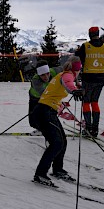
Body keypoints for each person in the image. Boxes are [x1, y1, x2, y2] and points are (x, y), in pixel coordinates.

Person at [31, 56, 84, 185]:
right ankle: (40, 174)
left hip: (46, 111)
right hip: (44, 112)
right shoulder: (68, 74)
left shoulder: (62, 73)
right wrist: (74, 91)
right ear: (77, 69)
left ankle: (57, 169)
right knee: (56, 143)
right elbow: (68, 83)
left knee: (62, 141)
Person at [75, 26, 104, 137]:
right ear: (98, 33)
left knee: (86, 102)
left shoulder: (86, 46)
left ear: (89, 34)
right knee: (95, 102)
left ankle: (88, 128)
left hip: (88, 77)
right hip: (101, 78)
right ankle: (95, 129)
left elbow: (77, 58)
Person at [28, 60, 51, 131]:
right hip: (35, 98)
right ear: (38, 75)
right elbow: (43, 93)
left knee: (47, 115)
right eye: (42, 75)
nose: (46, 77)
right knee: (33, 120)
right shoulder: (36, 80)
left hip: (46, 96)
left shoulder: (54, 72)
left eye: (47, 73)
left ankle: (46, 129)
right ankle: (39, 129)